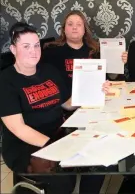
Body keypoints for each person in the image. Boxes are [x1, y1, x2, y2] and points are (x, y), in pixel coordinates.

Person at [0, 22, 110, 194]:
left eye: (36, 45)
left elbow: (66, 103)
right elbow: (18, 128)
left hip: (58, 134)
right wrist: (55, 146)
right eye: (26, 46)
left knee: (98, 163)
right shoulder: (6, 80)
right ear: (13, 49)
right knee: (63, 179)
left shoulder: (48, 70)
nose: (33, 51)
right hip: (26, 145)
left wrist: (95, 89)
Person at [41, 10, 127, 100]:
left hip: (95, 98)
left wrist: (119, 62)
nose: (74, 27)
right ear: (64, 29)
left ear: (84, 30)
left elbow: (109, 79)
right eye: (70, 24)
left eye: (79, 24)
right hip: (65, 104)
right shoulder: (51, 52)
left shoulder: (95, 50)